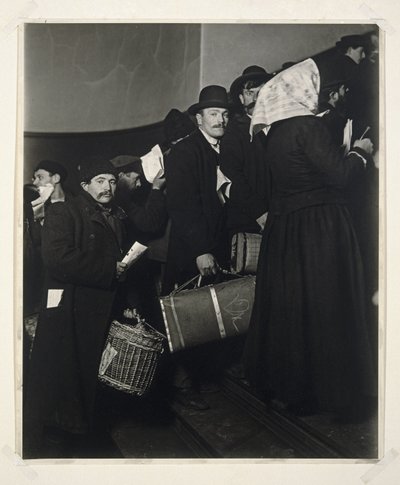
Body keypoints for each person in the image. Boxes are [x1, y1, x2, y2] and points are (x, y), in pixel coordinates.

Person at [243, 58, 377, 423]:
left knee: (293, 308)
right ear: (303, 91)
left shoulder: (272, 133)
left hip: (286, 228)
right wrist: (361, 153)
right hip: (320, 226)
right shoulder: (309, 127)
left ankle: (293, 388)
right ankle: (334, 393)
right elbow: (340, 177)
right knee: (326, 304)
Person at [23, 158, 129, 458]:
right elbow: (56, 258)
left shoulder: (113, 214)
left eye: (111, 181)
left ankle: (79, 438)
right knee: (64, 380)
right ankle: (57, 446)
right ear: (85, 185)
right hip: (71, 309)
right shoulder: (64, 211)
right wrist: (109, 269)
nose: (107, 187)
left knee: (83, 379)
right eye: (100, 181)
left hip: (95, 307)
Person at [163, 85, 231, 409]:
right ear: (199, 118)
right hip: (192, 249)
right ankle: (183, 385)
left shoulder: (226, 148)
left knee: (212, 313)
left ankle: (206, 376)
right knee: (186, 316)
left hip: (217, 246)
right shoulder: (184, 152)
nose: (221, 119)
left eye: (225, 114)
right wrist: (201, 250)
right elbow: (182, 206)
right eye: (214, 114)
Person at [220, 65, 273, 236]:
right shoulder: (234, 133)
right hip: (251, 223)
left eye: (262, 92)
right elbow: (233, 178)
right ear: (242, 98)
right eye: (251, 93)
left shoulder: (280, 128)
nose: (257, 99)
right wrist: (260, 214)